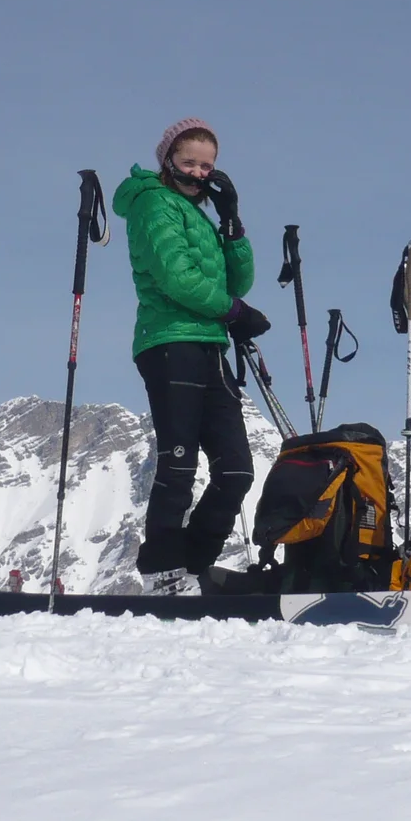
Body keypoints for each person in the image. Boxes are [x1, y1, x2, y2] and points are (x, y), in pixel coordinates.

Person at [112, 118, 269, 595]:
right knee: (178, 463)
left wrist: (232, 223)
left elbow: (237, 282)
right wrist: (233, 310)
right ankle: (163, 570)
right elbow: (177, 279)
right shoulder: (154, 204)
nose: (200, 173)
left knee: (238, 469)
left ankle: (194, 566)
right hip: (168, 343)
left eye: (208, 166)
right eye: (190, 162)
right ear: (167, 161)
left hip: (209, 346)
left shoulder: (198, 215)